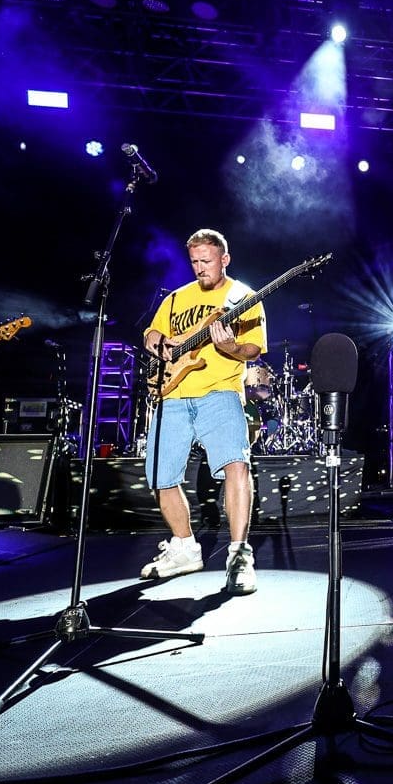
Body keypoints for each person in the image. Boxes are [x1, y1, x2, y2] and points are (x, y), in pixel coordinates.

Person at [139, 228, 265, 595]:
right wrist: (156, 341)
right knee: (161, 475)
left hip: (219, 392)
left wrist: (230, 348)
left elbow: (253, 349)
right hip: (172, 395)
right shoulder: (175, 299)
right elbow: (151, 335)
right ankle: (184, 548)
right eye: (194, 261)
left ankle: (239, 555)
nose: (199, 268)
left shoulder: (243, 297)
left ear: (224, 259)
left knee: (236, 466)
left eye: (206, 261)